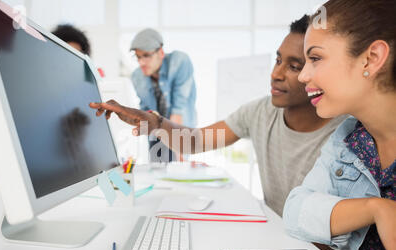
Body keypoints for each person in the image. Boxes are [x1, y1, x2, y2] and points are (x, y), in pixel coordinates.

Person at [90, 15, 347, 217]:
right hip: (276, 238)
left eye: (294, 66)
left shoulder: (346, 133)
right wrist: (154, 122)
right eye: (277, 60)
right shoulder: (260, 111)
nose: (276, 74)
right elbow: (196, 141)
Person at [283, 0, 396, 250]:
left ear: (371, 59)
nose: (304, 75)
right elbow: (295, 211)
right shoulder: (348, 137)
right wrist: (376, 208)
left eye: (316, 58)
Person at [129, 28, 197, 163]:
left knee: (178, 173)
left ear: (160, 52)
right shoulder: (137, 76)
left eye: (146, 55)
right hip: (157, 135)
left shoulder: (179, 61)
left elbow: (178, 109)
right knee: (157, 175)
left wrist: (179, 151)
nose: (141, 62)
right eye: (138, 57)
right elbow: (145, 110)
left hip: (180, 129)